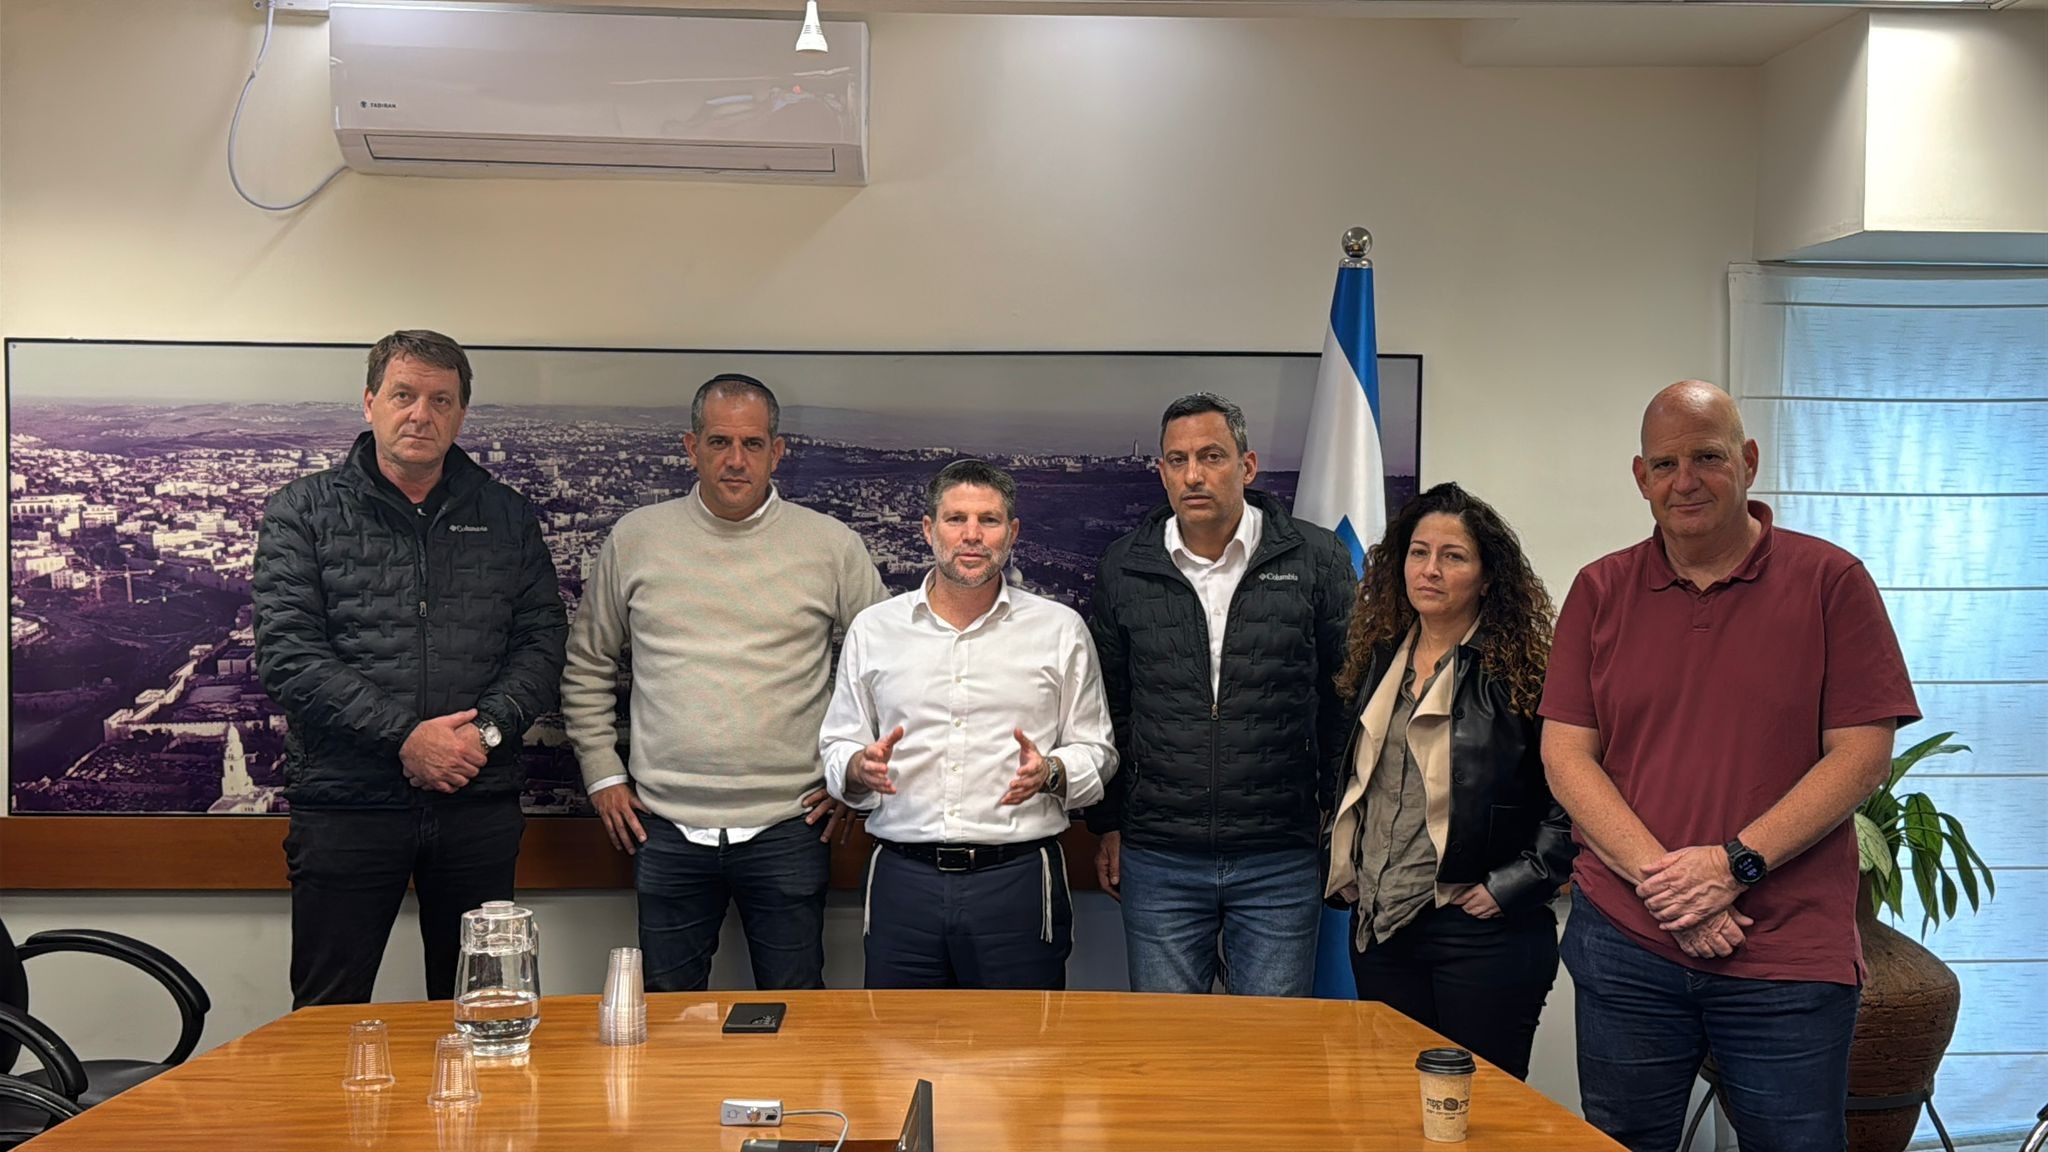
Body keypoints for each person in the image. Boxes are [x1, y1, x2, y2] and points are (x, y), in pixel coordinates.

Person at [1540, 380, 1920, 1151]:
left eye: (1707, 457)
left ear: (1748, 460)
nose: (1686, 480)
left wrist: (1732, 866)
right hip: (1627, 942)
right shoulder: (1600, 590)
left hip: (1787, 950)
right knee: (1620, 1141)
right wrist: (1673, 890)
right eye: (1665, 463)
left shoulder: (1831, 583)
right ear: (1641, 478)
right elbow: (1566, 754)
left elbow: (1862, 754)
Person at [253, 329, 568, 1008]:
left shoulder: (507, 515)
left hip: (476, 799)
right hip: (347, 803)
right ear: (370, 402)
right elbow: (288, 655)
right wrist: (406, 738)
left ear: (461, 414)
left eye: (440, 400)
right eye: (404, 395)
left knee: (486, 1010)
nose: (421, 414)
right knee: (327, 1015)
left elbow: (543, 643)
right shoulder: (303, 511)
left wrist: (481, 735)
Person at [560, 373, 889, 992]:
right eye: (719, 442)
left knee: (796, 1013)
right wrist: (602, 774)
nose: (736, 460)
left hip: (791, 824)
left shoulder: (831, 546)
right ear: (692, 448)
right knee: (665, 1017)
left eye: (752, 443)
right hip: (663, 824)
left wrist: (852, 782)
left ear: (776, 451)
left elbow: (887, 670)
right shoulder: (635, 539)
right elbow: (588, 663)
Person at [1087, 392, 1355, 997]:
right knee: (1171, 1042)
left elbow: (1345, 697)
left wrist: (1334, 811)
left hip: (1280, 856)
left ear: (1247, 465)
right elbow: (1109, 705)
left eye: (1211, 456)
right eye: (1177, 460)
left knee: (1270, 1043)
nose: (1193, 475)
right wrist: (1108, 823)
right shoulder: (1125, 566)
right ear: (1161, 471)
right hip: (1159, 856)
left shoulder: (1315, 559)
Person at [821, 459, 1117, 990]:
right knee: (896, 1035)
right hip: (903, 881)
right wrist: (858, 767)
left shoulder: (1059, 630)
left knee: (1023, 1039)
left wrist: (1051, 772)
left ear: (1013, 532)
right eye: (956, 519)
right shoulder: (875, 629)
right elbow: (838, 742)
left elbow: (1097, 751)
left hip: (1018, 879)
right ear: (928, 529)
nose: (972, 535)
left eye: (990, 520)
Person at [1323, 482, 1572, 1081]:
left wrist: (1516, 882)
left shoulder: (1525, 673)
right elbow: (1350, 778)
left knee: (1478, 1110)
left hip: (1481, 932)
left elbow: (1573, 796)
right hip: (1382, 927)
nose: (1430, 569)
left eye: (1453, 556)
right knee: (1393, 1104)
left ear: (1487, 578)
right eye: (1418, 552)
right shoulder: (1376, 659)